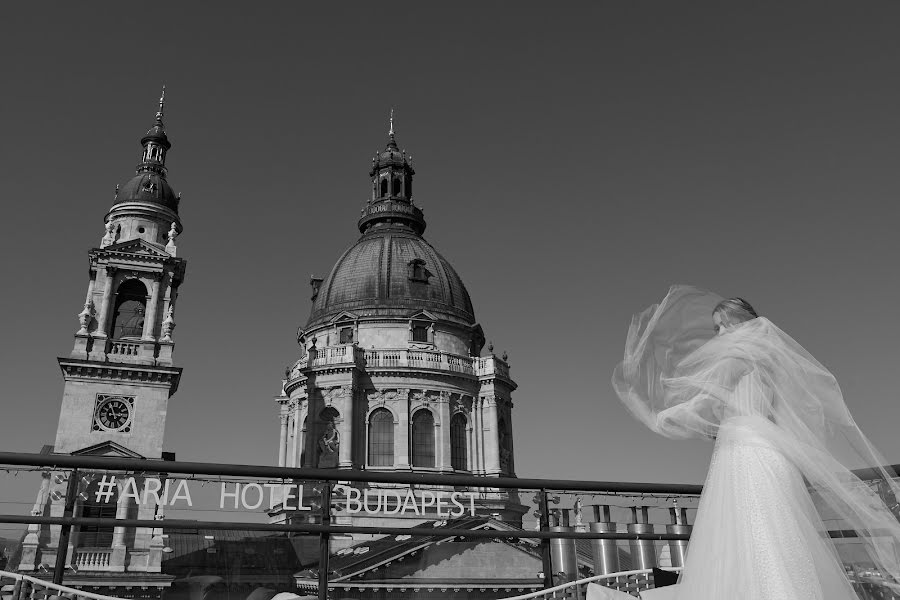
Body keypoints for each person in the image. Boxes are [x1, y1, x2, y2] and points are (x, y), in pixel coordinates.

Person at [612, 285, 900, 599]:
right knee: (781, 538)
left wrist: (657, 417)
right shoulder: (770, 363)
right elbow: (756, 411)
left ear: (741, 325)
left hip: (745, 455)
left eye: (723, 324)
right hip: (770, 452)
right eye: (716, 327)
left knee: (748, 536)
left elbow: (702, 402)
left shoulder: (736, 357)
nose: (719, 333)